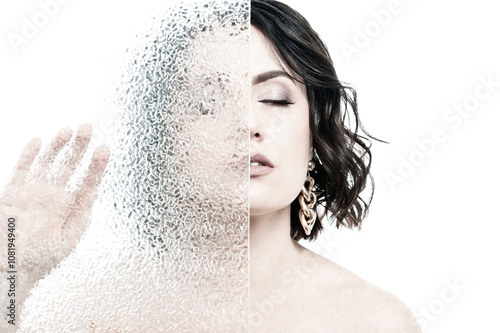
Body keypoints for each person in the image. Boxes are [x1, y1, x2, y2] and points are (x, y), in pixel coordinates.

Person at [249, 0, 422, 331]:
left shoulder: (372, 322)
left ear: (315, 133)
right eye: (210, 102)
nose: (248, 122)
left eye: (275, 98)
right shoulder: (124, 304)